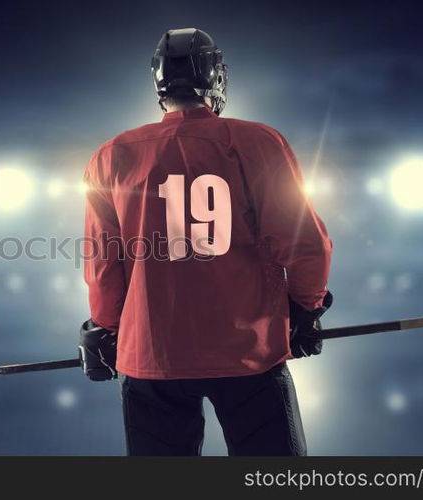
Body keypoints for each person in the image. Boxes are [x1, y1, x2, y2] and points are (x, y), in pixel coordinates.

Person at [78, 28, 333, 456]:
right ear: (216, 77)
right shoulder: (257, 142)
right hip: (248, 353)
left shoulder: (110, 155)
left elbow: (104, 263)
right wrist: (306, 308)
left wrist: (105, 328)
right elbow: (304, 242)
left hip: (152, 357)